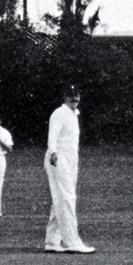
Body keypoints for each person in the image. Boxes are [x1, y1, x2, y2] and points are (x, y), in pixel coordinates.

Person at [44, 85, 95, 254]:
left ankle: (52, 241)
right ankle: (72, 241)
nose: (74, 99)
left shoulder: (74, 114)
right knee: (67, 197)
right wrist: (53, 152)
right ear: (64, 97)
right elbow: (52, 135)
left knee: (60, 198)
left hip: (71, 158)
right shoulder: (59, 113)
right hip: (58, 157)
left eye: (77, 95)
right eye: (71, 96)